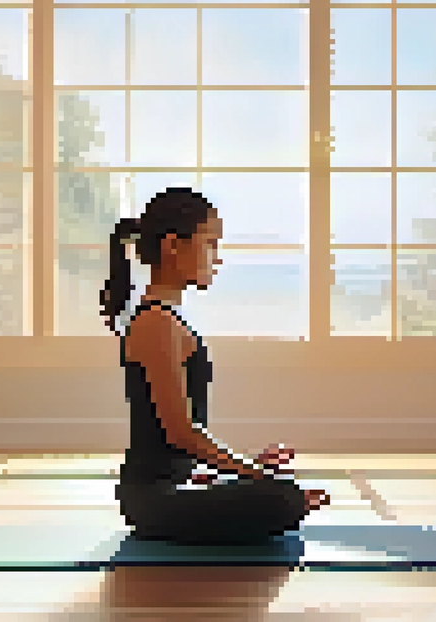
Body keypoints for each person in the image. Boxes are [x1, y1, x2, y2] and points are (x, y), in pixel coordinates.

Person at [101, 187, 330, 545]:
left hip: (178, 484)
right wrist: (255, 475)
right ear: (173, 246)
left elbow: (177, 444)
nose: (217, 258)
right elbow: (181, 434)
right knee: (281, 498)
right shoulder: (156, 324)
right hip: (153, 500)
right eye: (210, 244)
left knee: (280, 490)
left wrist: (249, 466)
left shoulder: (167, 320)